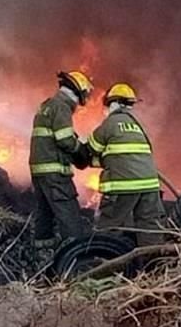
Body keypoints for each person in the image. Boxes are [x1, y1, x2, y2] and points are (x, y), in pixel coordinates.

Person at [85, 83, 165, 246]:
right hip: (150, 186)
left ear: (113, 103)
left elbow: (90, 150)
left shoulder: (110, 124)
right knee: (149, 228)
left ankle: (104, 262)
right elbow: (126, 155)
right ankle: (156, 266)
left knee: (108, 228)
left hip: (123, 186)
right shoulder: (139, 126)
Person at [28, 70, 92, 258]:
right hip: (55, 173)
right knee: (69, 213)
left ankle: (41, 254)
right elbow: (64, 139)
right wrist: (80, 150)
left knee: (45, 212)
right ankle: (77, 258)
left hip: (40, 172)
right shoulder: (62, 106)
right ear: (77, 92)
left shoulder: (46, 106)